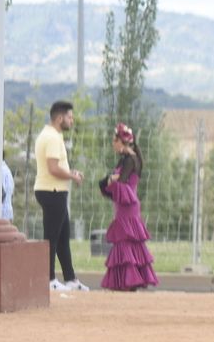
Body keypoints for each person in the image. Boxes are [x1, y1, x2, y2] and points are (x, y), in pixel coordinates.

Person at [98, 123, 158, 292]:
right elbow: (118, 179)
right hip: (126, 204)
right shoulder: (128, 158)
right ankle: (127, 281)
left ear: (121, 141)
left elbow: (122, 181)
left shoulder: (130, 159)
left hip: (127, 206)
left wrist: (109, 180)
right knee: (128, 241)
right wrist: (109, 180)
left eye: (114, 140)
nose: (112, 144)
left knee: (125, 240)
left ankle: (128, 281)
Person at [33, 100, 86, 291]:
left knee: (62, 237)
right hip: (52, 191)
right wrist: (72, 176)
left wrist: (70, 172)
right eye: (70, 117)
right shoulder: (53, 138)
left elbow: (56, 167)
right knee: (52, 237)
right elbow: (53, 168)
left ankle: (70, 279)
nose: (72, 121)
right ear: (60, 117)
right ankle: (49, 280)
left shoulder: (48, 135)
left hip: (52, 191)